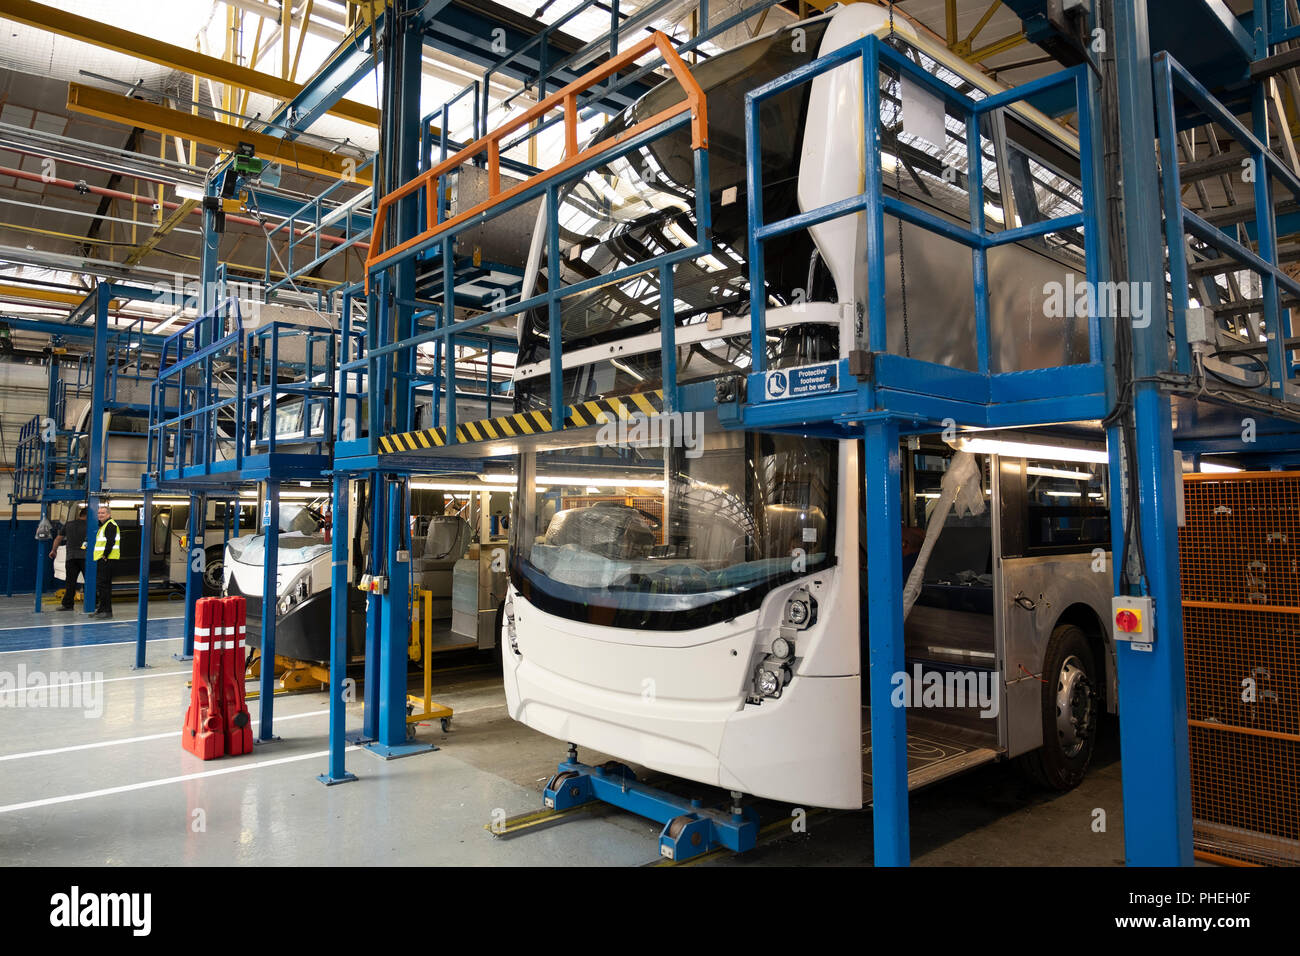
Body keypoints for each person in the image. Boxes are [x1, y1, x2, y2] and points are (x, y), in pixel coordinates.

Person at [51, 505, 89, 610]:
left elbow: (58, 539)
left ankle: (67, 605)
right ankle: (93, 602)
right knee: (90, 581)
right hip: (86, 557)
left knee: (70, 582)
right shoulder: (91, 525)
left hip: (71, 557)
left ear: (80, 515)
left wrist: (53, 550)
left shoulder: (69, 524)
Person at [90, 502, 120, 619]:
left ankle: (107, 611)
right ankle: (102, 609)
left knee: (104, 586)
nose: (100, 515)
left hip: (107, 559)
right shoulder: (104, 525)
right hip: (103, 559)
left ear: (108, 514)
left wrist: (105, 555)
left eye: (102, 513)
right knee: (102, 585)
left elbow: (110, 541)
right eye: (98, 513)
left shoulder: (110, 525)